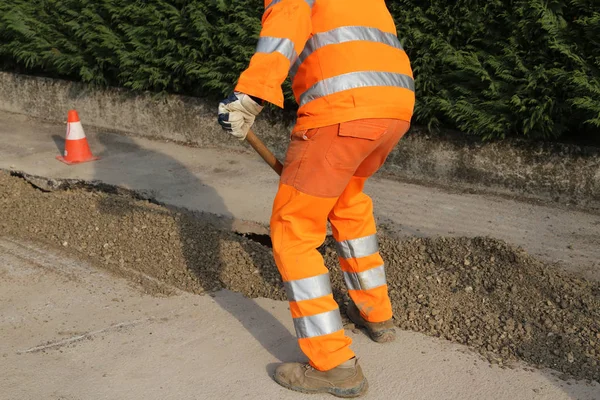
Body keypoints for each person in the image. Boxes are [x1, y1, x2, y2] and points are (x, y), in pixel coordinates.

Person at [217, 0, 415, 396]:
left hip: (341, 112)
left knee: (293, 229)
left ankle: (334, 365)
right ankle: (377, 314)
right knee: (347, 203)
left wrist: (247, 98)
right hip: (393, 108)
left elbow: (285, 27)